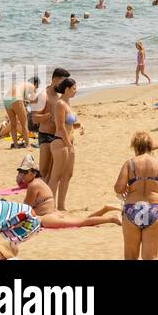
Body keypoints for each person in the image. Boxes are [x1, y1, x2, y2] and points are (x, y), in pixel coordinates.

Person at [113, 132, 158, 260]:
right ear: (150, 146)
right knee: (151, 257)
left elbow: (118, 187)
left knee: (130, 257)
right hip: (153, 208)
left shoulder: (130, 163)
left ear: (135, 146)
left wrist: (127, 187)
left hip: (133, 208)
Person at [16, 154, 120, 228]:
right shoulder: (39, 182)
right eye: (21, 172)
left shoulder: (33, 185)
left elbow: (27, 208)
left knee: (82, 222)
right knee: (83, 221)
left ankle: (111, 219)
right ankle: (105, 209)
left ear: (34, 173)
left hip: (47, 217)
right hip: (54, 213)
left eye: (25, 172)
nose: (22, 175)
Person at [48, 76, 80, 209]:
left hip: (69, 143)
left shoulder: (68, 103)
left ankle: (61, 205)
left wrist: (80, 126)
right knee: (56, 175)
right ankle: (50, 205)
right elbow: (60, 127)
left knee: (67, 175)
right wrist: (68, 144)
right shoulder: (60, 104)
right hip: (61, 142)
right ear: (66, 89)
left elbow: (70, 125)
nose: (76, 90)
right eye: (74, 88)